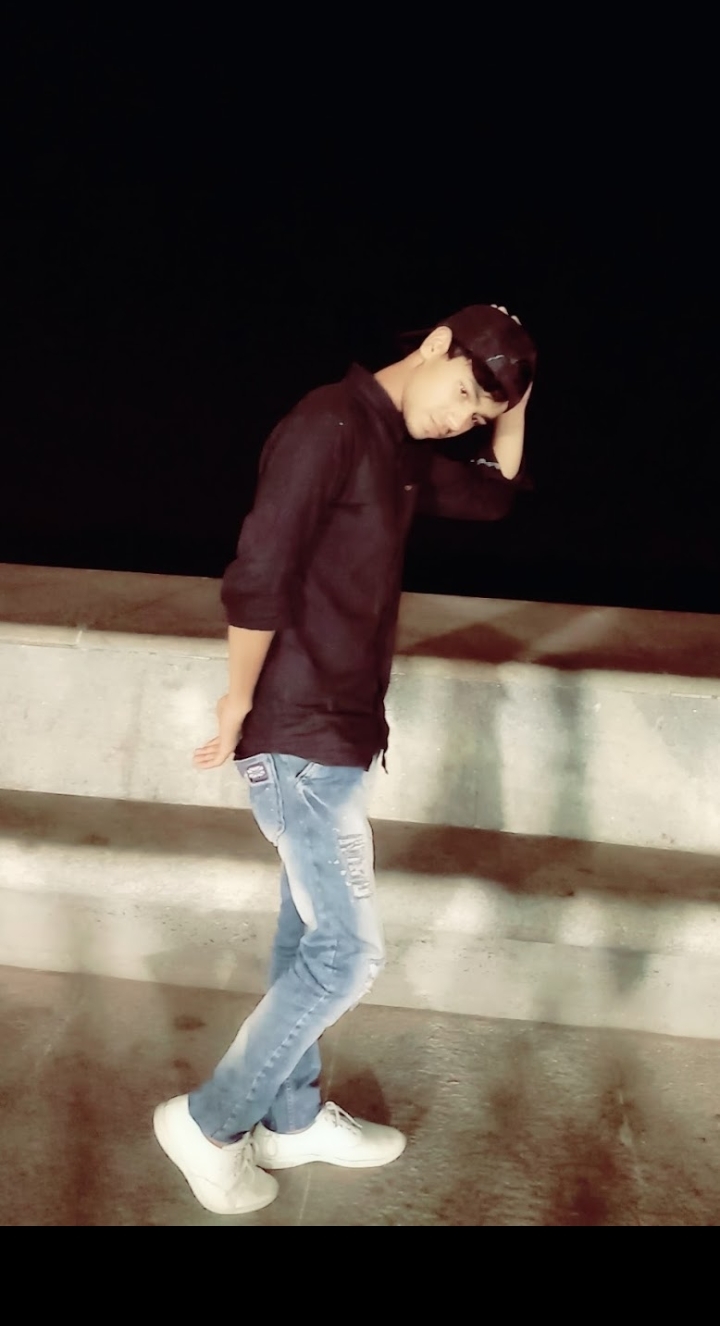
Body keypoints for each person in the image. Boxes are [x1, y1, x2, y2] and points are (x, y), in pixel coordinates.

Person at [153, 303, 537, 1215]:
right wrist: (237, 701)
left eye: (478, 414)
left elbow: (493, 493)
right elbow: (259, 573)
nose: (460, 420)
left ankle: (291, 1120)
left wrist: (519, 398)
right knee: (348, 955)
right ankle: (211, 1123)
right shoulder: (327, 425)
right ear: (434, 345)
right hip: (297, 736)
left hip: (340, 734)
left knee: (305, 938)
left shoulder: (394, 447)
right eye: (463, 393)